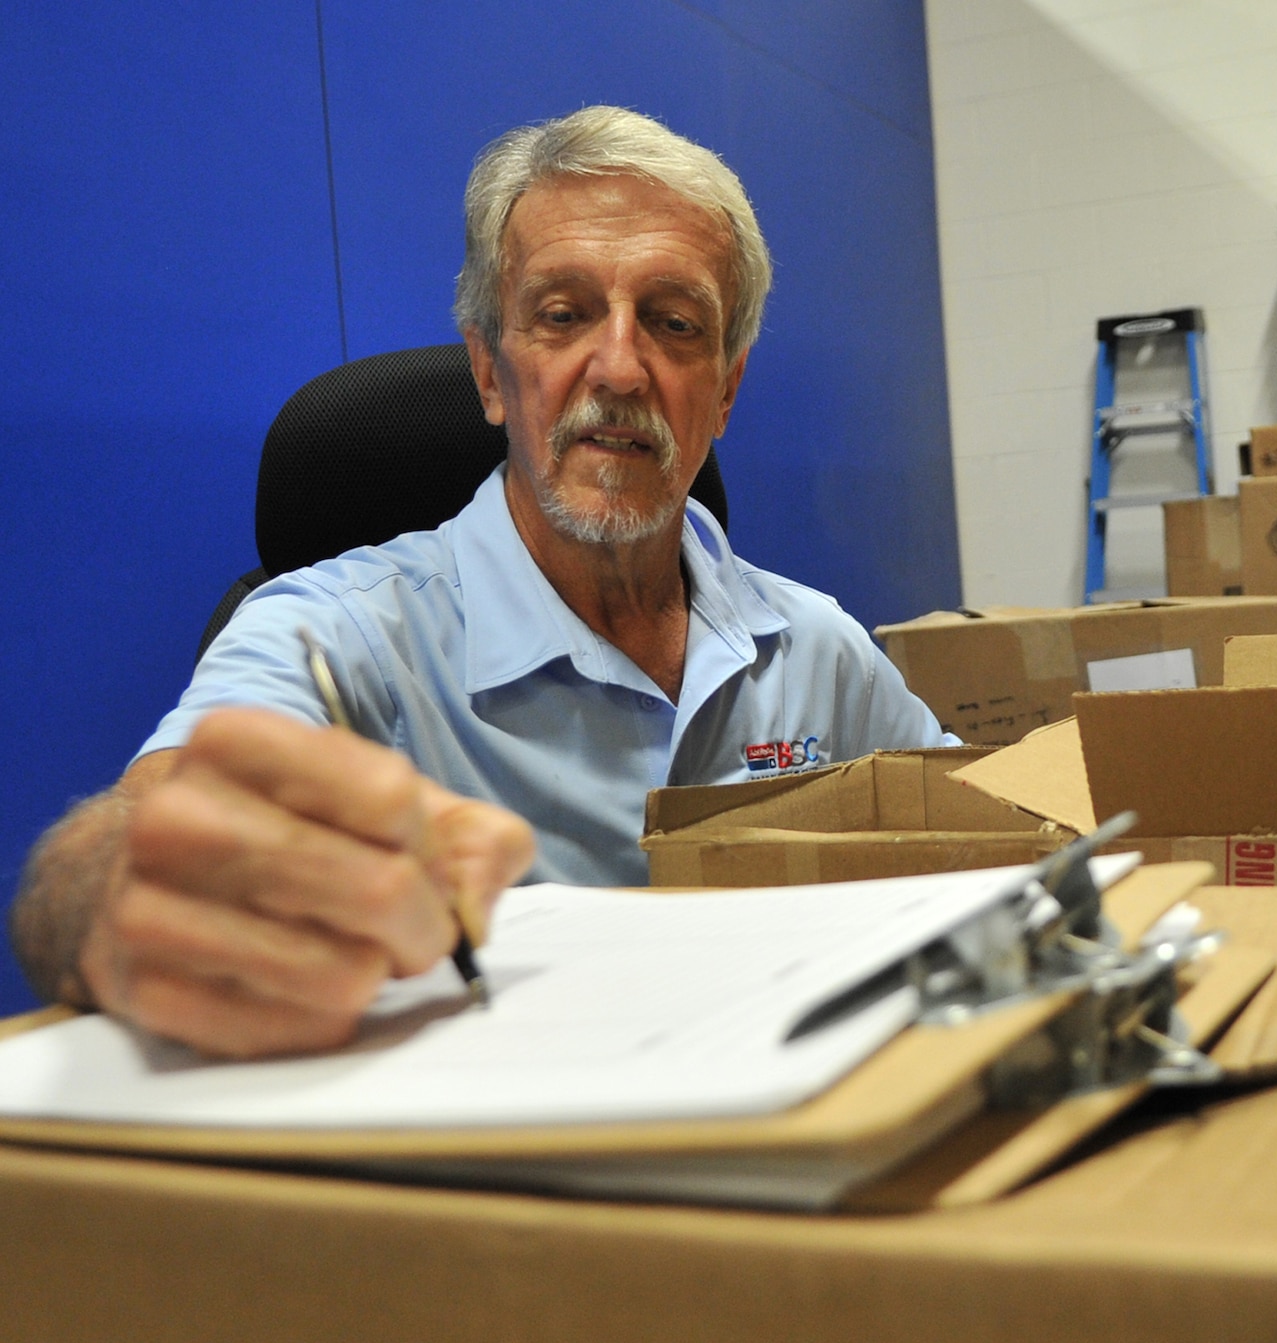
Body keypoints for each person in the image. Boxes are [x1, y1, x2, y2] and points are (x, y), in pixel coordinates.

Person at [9, 106, 952, 1058]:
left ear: (728, 387)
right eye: (563, 314)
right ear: (490, 372)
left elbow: (993, 834)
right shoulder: (333, 634)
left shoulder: (819, 646)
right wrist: (124, 893)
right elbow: (138, 830)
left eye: (673, 324)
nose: (620, 368)